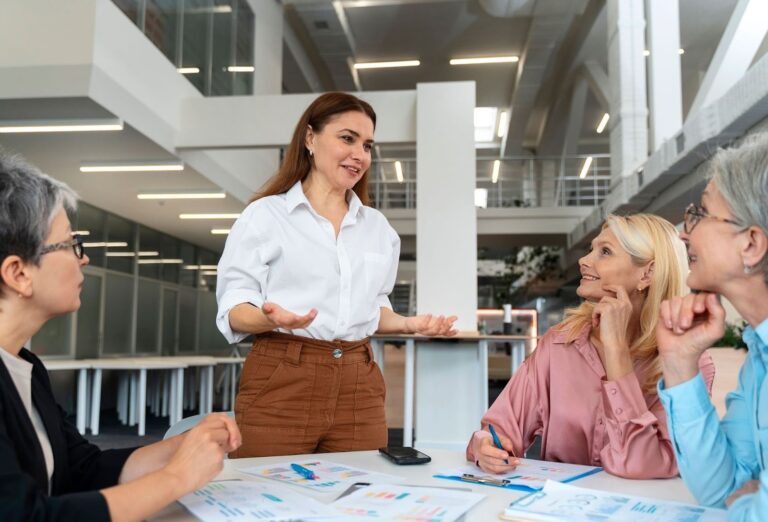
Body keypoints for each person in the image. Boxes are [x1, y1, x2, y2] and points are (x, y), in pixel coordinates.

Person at [0, 153, 241, 521]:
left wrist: (179, 447)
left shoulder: (26, 367)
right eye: (70, 244)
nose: (83, 259)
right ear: (18, 273)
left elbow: (82, 470)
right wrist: (178, 477)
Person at [216, 92, 457, 458]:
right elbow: (234, 306)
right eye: (347, 138)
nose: (359, 154)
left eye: (367, 144)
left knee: (361, 495)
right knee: (263, 494)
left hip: (358, 383)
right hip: (283, 377)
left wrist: (411, 324)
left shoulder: (378, 228)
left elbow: (371, 310)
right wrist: (268, 317)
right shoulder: (265, 216)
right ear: (310, 139)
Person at [467, 214, 715, 479]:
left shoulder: (689, 362)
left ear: (648, 273)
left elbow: (641, 464)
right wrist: (486, 445)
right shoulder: (559, 342)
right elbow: (501, 427)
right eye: (591, 250)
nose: (584, 260)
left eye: (605, 252)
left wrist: (616, 350)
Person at [656, 134, 768, 519]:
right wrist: (679, 364)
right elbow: (720, 490)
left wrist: (751, 505)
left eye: (701, 213)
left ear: (751, 244)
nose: (685, 232)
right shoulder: (760, 359)